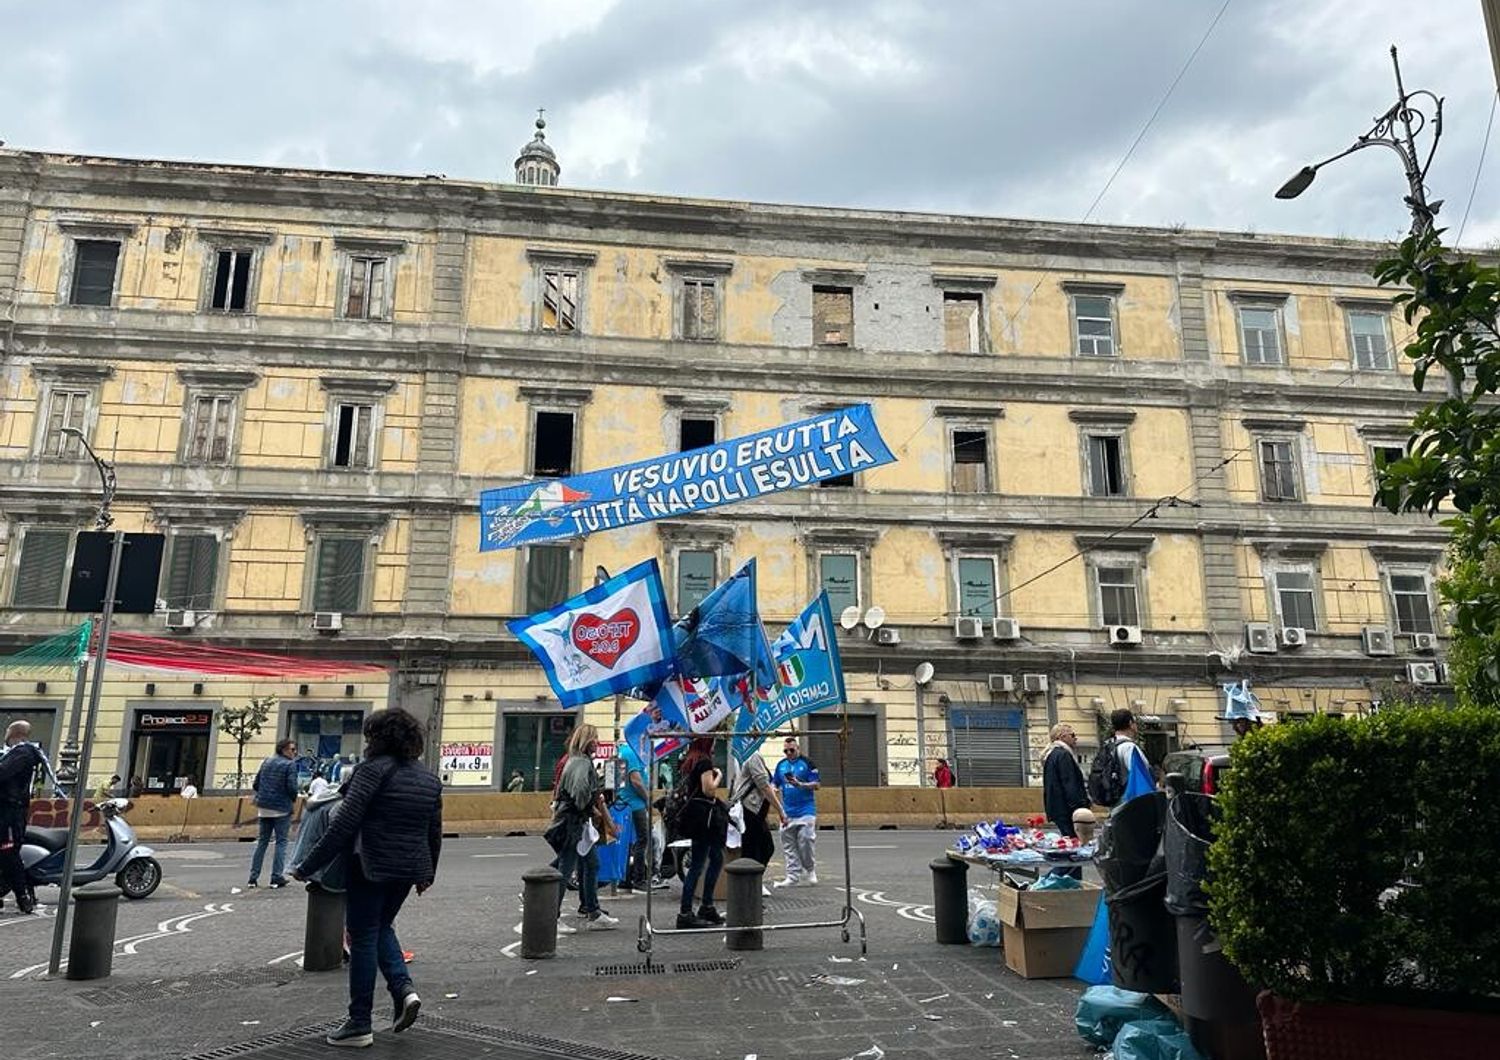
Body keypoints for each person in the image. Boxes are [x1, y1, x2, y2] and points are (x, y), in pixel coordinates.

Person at [291, 708, 442, 1048]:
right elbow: (434, 831)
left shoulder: (371, 771)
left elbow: (343, 824)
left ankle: (359, 1022)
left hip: (370, 864)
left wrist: (307, 866)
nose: (368, 741)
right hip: (407, 870)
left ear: (379, 739)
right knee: (381, 928)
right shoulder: (428, 779)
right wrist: (428, 872)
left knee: (361, 937)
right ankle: (404, 990)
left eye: (371, 735)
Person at [547, 724, 616, 931]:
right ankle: (553, 916)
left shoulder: (576, 760)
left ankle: (593, 911)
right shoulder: (581, 764)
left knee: (591, 863)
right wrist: (590, 807)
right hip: (573, 823)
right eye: (594, 738)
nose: (597, 742)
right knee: (565, 869)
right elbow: (580, 793)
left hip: (576, 822)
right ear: (587, 741)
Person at [0, 721, 51, 915]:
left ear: (14, 732)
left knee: (8, 854)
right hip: (8, 812)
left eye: (7, 730)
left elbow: (2, 774)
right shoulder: (18, 753)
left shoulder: (22, 753)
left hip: (10, 815)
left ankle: (23, 897)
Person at [676, 736, 727, 929]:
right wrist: (719, 776)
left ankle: (706, 906)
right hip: (704, 821)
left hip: (697, 819)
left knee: (715, 858)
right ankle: (687, 912)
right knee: (699, 864)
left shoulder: (692, 757)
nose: (714, 746)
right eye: (713, 742)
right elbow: (708, 790)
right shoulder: (704, 761)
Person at [248, 738, 299, 889]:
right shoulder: (290, 765)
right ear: (283, 750)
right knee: (281, 842)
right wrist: (293, 798)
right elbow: (291, 787)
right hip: (282, 807)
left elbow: (256, 784)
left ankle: (253, 877)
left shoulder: (266, 762)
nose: (294, 753)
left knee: (262, 841)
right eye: (292, 749)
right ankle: (276, 877)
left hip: (263, 807)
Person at [772, 736, 820, 888]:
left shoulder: (807, 763)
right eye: (785, 751)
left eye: (791, 750)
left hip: (806, 810)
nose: (788, 753)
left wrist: (801, 784)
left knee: (806, 840)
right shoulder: (781, 765)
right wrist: (774, 788)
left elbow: (817, 785)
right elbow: (775, 782)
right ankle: (792, 876)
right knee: (788, 845)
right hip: (787, 812)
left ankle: (810, 869)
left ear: (798, 748)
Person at [729, 749, 784, 871]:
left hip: (751, 810)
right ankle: (751, 881)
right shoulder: (753, 755)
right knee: (763, 848)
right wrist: (780, 810)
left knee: (754, 848)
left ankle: (752, 881)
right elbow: (763, 785)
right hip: (751, 810)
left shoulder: (741, 754)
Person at [615, 740, 651, 893]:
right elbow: (636, 781)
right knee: (642, 840)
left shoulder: (623, 751)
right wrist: (647, 799)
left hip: (625, 802)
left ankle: (625, 878)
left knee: (628, 843)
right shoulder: (631, 753)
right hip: (635, 804)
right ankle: (639, 879)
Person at [1041, 724, 1089, 837]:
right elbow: (1069, 783)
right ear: (1061, 737)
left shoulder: (1051, 755)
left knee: (1068, 840)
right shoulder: (1063, 755)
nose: (1075, 738)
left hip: (1058, 809)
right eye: (1072, 735)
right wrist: (1080, 807)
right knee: (1075, 842)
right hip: (1067, 810)